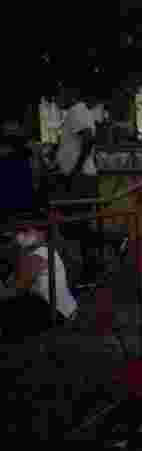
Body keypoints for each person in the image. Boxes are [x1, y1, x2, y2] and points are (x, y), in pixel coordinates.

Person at [0, 212, 77, 341]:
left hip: (57, 313)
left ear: (41, 233)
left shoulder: (39, 254)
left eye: (25, 230)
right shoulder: (40, 252)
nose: (20, 234)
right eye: (19, 230)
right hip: (58, 308)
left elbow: (16, 289)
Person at [51, 88, 102, 283]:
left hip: (80, 179)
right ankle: (95, 262)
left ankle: (93, 268)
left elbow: (88, 140)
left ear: (67, 93)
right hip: (78, 177)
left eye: (56, 97)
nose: (55, 102)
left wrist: (75, 170)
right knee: (74, 224)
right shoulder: (75, 112)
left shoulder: (78, 111)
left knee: (76, 224)